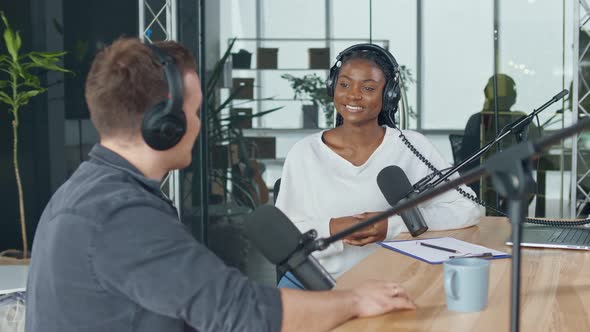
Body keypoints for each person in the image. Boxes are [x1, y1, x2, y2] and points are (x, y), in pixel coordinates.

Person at [24, 38, 415, 332]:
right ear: (165, 124)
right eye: (194, 112)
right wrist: (355, 301)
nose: (198, 125)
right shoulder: (120, 215)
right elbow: (238, 310)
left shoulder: (92, 190)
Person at [275, 44, 482, 289]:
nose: (353, 95)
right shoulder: (304, 153)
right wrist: (331, 228)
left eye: (368, 88)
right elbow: (280, 236)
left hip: (392, 285)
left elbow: (468, 208)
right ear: (332, 87)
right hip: (317, 283)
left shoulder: (411, 146)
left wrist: (393, 225)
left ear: (388, 95)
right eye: (344, 84)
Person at [460, 74, 541, 210]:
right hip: (484, 178)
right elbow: (467, 157)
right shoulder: (479, 120)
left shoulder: (519, 118)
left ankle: (503, 215)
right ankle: (503, 215)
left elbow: (535, 142)